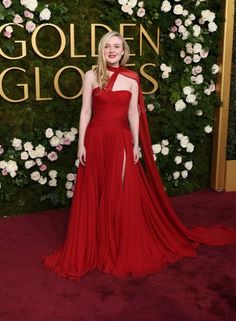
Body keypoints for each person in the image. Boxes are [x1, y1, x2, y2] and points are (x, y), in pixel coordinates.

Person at [43, 31, 236, 281]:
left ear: (124, 52)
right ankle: (97, 245)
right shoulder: (91, 75)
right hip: (96, 139)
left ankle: (118, 244)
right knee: (96, 191)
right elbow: (86, 111)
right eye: (107, 47)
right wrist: (81, 145)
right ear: (101, 50)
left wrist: (135, 144)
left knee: (118, 192)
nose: (112, 51)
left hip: (121, 141)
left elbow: (134, 114)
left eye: (117, 47)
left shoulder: (132, 78)